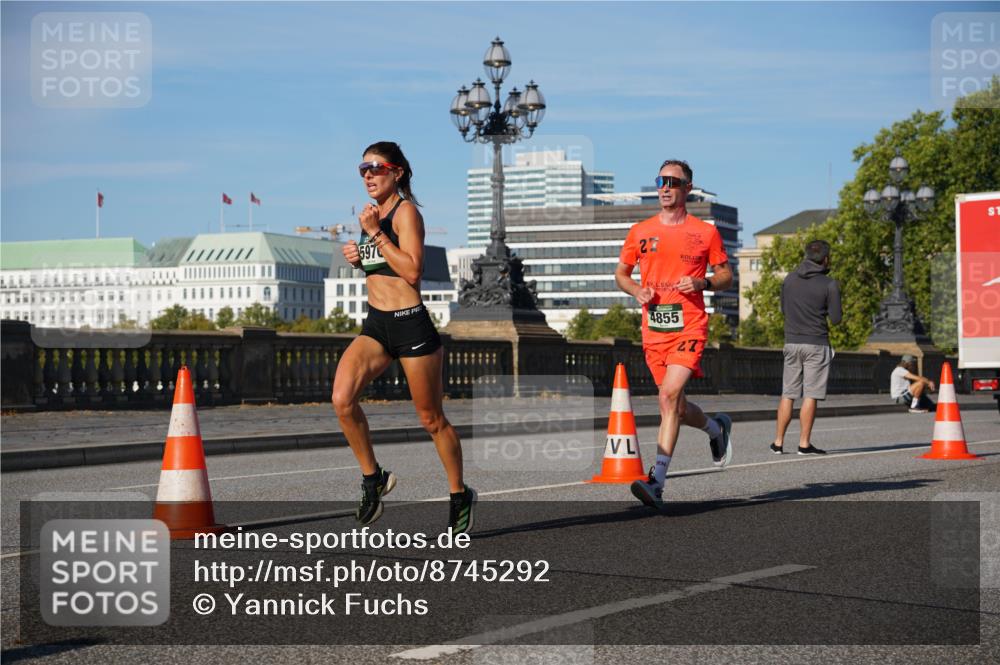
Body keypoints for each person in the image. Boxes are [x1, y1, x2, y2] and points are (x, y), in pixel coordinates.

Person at [332, 141, 476, 533]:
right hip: (377, 325)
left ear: (397, 172)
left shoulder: (405, 212)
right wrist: (359, 254)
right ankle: (372, 478)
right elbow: (383, 265)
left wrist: (375, 234)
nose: (367, 175)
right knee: (342, 400)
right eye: (362, 168)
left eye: (375, 167)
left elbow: (412, 271)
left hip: (411, 324)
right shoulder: (372, 217)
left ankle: (459, 493)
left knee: (431, 419)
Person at [617, 159, 734, 510]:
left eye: (673, 181)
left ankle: (657, 482)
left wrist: (704, 282)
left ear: (687, 189)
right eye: (661, 180)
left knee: (668, 397)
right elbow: (621, 274)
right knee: (677, 407)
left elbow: (726, 275)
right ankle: (716, 429)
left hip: (690, 324)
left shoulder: (706, 231)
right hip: (654, 330)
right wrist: (636, 290)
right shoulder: (640, 230)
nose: (665, 187)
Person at [770, 239, 842, 456]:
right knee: (810, 394)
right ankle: (803, 443)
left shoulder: (789, 279)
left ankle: (778, 442)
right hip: (816, 343)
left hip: (791, 342)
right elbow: (836, 319)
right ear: (826, 259)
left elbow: (783, 309)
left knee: (788, 393)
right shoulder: (829, 284)